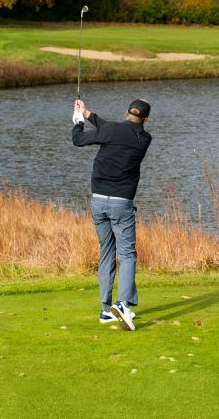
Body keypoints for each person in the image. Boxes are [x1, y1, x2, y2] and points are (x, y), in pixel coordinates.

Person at [72, 97, 152, 330]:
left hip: (98, 201)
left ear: (126, 112)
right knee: (127, 255)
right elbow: (117, 131)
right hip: (121, 204)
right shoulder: (144, 139)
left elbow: (78, 139)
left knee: (107, 252)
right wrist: (88, 114)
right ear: (145, 119)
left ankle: (106, 310)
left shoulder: (112, 130)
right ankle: (123, 304)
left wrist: (78, 121)